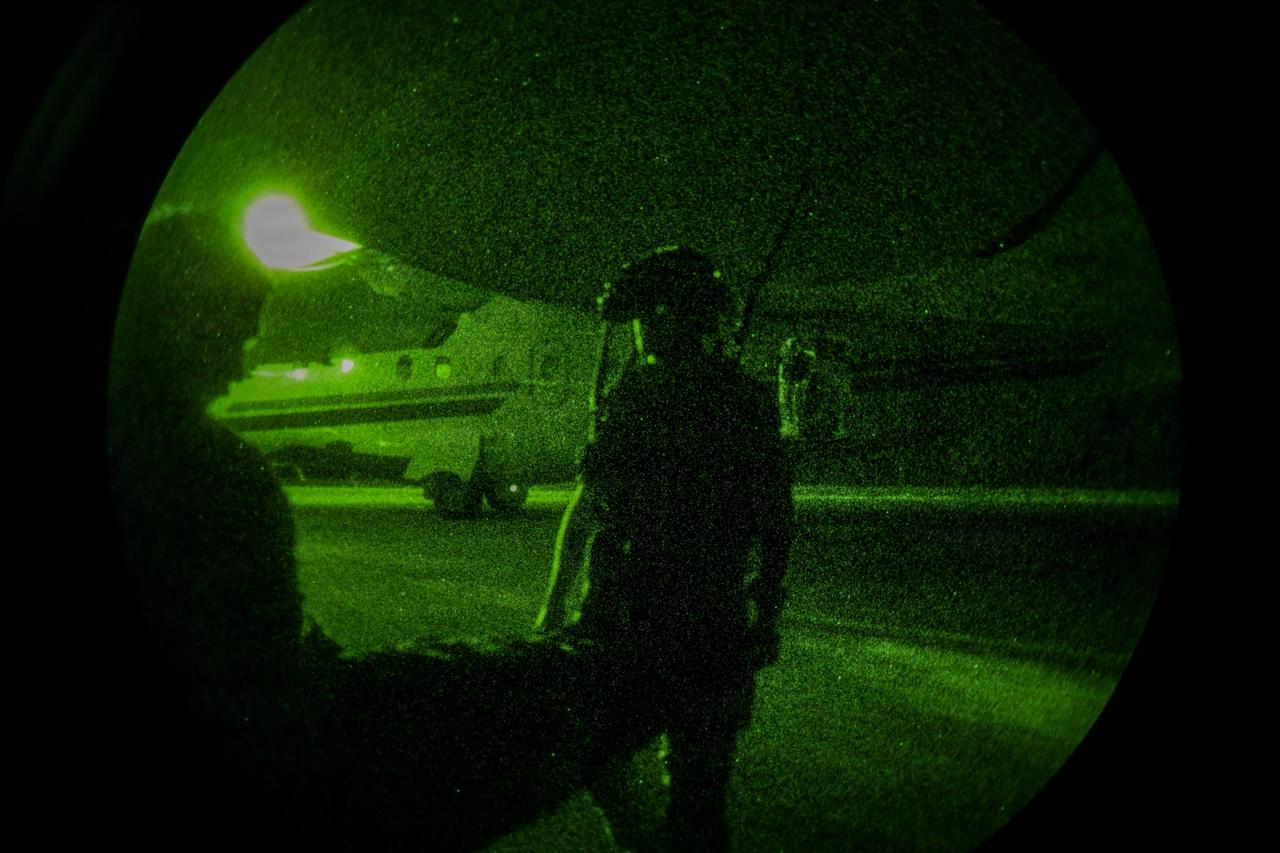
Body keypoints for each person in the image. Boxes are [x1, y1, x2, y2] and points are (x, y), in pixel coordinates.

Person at [545, 245, 794, 851]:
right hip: (714, 617)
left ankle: (637, 844)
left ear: (664, 315)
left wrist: (553, 604)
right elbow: (775, 517)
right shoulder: (748, 400)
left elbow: (589, 505)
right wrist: (766, 613)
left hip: (626, 612)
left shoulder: (638, 398)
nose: (636, 332)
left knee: (597, 754)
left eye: (642, 318)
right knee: (700, 790)